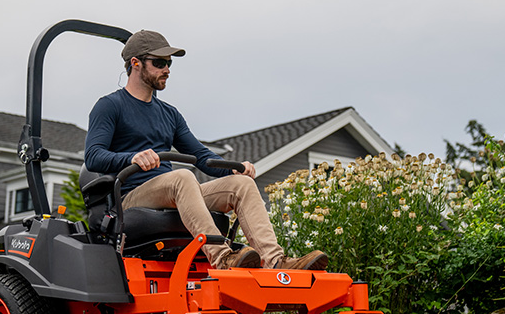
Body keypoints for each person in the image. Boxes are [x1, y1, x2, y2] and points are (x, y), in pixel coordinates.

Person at [84, 29, 327, 271]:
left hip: (174, 192)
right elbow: (93, 156)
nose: (167, 69)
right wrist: (132, 157)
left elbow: (201, 156)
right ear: (135, 64)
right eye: (159, 63)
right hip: (131, 198)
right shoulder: (110, 106)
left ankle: (276, 261)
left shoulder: (169, 113)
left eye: (169, 63)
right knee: (181, 176)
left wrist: (233, 170)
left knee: (242, 185)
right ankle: (223, 258)